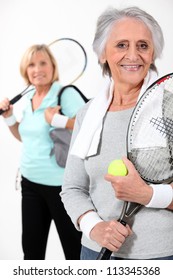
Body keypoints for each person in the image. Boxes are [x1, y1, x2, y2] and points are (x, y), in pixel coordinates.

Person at [60, 6, 173, 260]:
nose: (133, 55)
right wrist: (94, 226)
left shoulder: (170, 108)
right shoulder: (88, 114)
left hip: (161, 257)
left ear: (153, 53)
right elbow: (72, 188)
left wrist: (148, 195)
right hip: (94, 252)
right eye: (121, 45)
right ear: (103, 54)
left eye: (143, 45)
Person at [0, 44, 85, 260]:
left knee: (74, 254)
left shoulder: (64, 94)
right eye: (31, 64)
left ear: (53, 66)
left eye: (43, 63)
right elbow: (24, 136)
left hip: (62, 188)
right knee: (32, 253)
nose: (37, 69)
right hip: (30, 185)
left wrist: (57, 120)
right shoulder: (29, 99)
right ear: (25, 70)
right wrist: (9, 116)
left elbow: (87, 129)